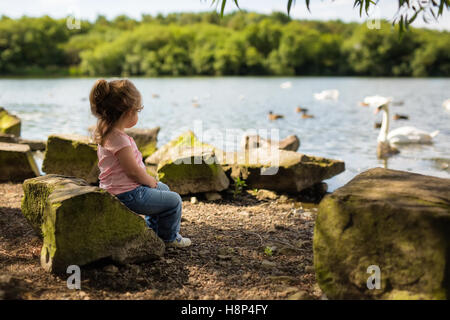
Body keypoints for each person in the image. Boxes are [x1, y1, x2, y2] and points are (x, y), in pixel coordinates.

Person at [89, 78, 191, 248]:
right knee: (174, 200)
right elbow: (133, 172)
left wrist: (151, 183)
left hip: (118, 189)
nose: (138, 115)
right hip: (128, 194)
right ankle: (169, 238)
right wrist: (149, 180)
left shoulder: (107, 131)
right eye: (137, 111)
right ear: (128, 112)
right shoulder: (119, 140)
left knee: (163, 189)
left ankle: (154, 230)